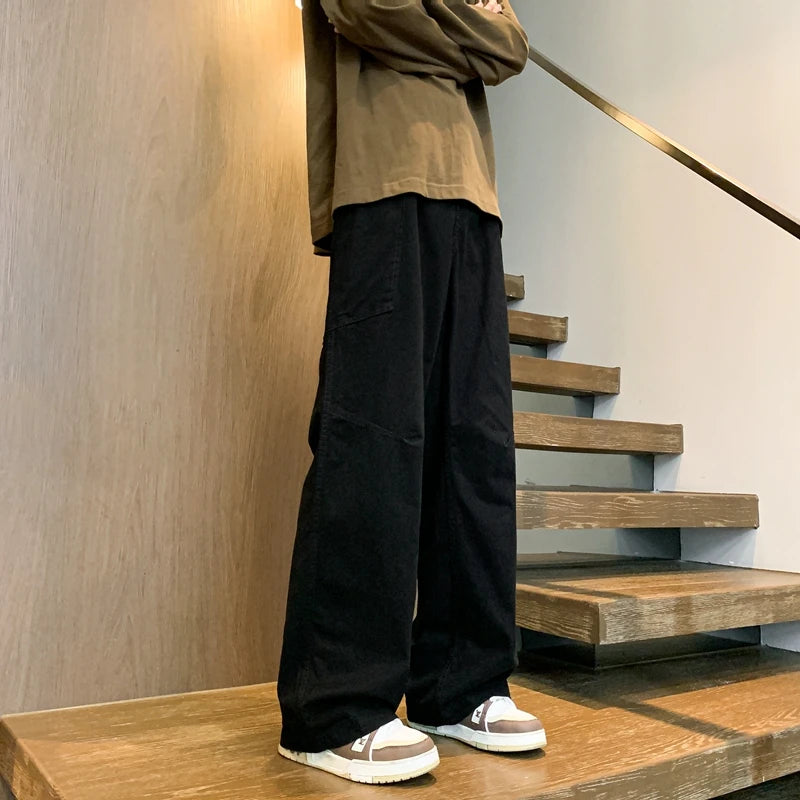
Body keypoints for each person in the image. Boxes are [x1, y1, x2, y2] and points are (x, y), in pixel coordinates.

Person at [277, 0, 545, 784]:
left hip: (476, 199)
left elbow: (510, 45)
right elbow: (366, 8)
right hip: (382, 179)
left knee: (478, 447)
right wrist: (466, 30)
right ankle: (334, 707)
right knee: (373, 436)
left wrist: (447, 25)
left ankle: (461, 684)